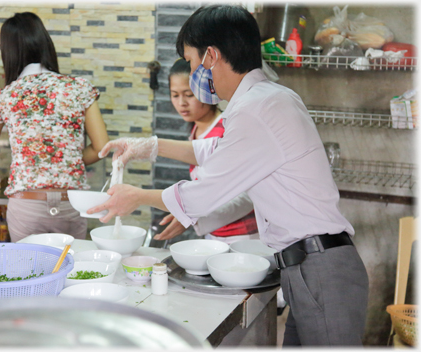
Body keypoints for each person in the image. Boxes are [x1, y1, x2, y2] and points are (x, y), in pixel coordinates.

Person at [89, 4, 369, 347]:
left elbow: (207, 189)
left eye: (192, 62)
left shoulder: (259, 108)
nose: (193, 73)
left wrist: (137, 196)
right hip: (310, 268)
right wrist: (151, 145)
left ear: (211, 56)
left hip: (321, 269)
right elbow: (216, 151)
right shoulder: (264, 101)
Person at [0, 12, 108, 242]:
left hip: (26, 205)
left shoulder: (5, 96)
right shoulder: (79, 88)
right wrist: (66, 160)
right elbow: (101, 147)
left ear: (8, 53)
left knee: (30, 274)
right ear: (45, 45)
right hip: (71, 204)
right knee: (71, 271)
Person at [155, 58, 258, 244]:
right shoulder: (196, 130)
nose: (182, 103)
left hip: (242, 236)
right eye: (175, 95)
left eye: (189, 94)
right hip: (215, 233)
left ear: (208, 90)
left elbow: (245, 195)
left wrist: (193, 217)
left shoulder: (224, 129)